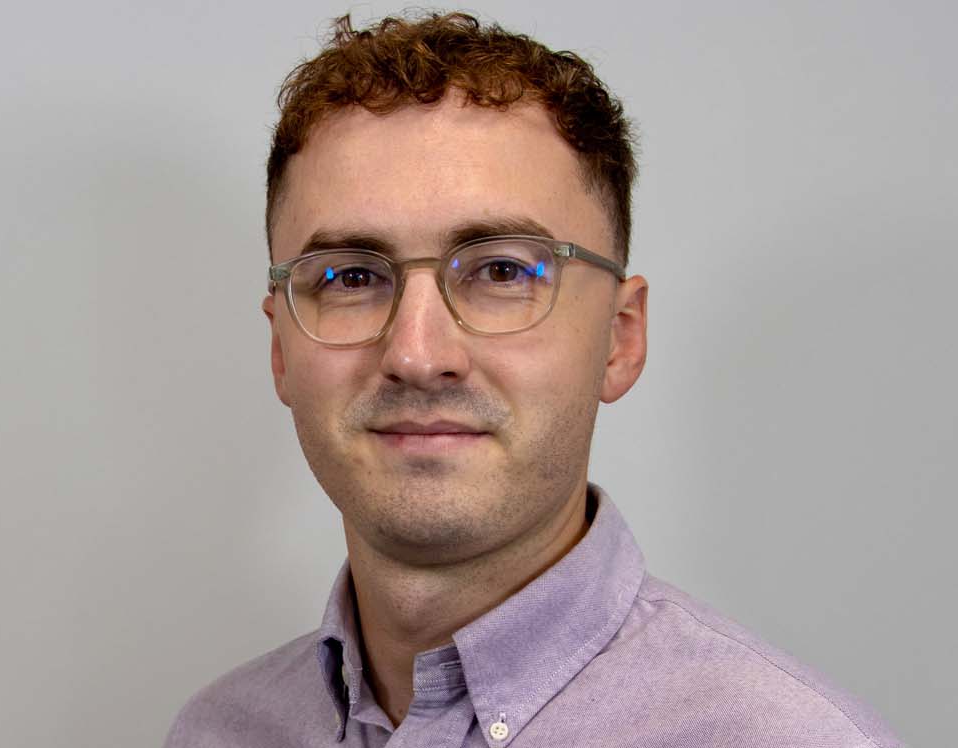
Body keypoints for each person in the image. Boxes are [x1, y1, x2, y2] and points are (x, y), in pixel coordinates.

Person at [164, 11, 902, 747]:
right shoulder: (216, 733)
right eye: (351, 277)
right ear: (281, 349)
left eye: (501, 271)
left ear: (620, 337)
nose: (417, 354)